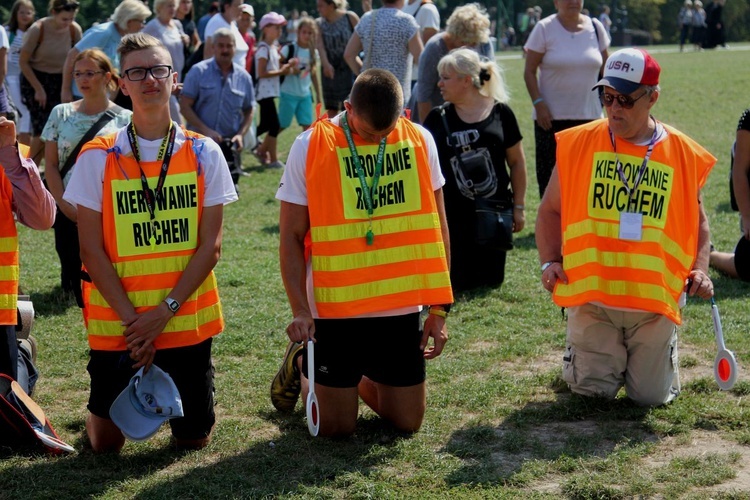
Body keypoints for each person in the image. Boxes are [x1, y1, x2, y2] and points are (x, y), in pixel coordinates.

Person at [62, 33, 237, 453]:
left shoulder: (204, 152)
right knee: (105, 445)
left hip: (181, 319)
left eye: (158, 69)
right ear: (122, 84)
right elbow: (90, 250)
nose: (149, 79)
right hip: (120, 325)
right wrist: (135, 326)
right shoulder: (97, 156)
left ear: (174, 78)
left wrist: (164, 312)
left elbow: (210, 247)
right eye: (136, 72)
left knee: (193, 440)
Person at [271, 69, 453, 437]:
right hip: (333, 308)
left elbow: (439, 227)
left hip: (399, 306)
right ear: (348, 108)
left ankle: (348, 379)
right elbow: (290, 236)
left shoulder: (420, 140)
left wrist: (438, 308)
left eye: (386, 132)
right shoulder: (309, 145)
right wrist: (301, 310)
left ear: (403, 114)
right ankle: (306, 360)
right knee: (335, 429)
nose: (378, 139)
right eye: (369, 133)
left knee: (407, 424)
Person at [536, 48, 716, 407]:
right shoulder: (578, 144)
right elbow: (550, 211)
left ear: (653, 97)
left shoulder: (681, 152)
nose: (614, 108)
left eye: (625, 99)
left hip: (651, 305)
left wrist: (700, 270)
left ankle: (659, 350)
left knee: (650, 398)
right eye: (607, 97)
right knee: (592, 394)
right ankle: (589, 352)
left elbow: (699, 222)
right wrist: (549, 261)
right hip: (594, 300)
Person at [422, 49, 526, 292]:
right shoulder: (438, 118)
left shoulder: (502, 112)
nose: (439, 83)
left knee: (490, 282)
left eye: (446, 77)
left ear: (466, 81)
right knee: (458, 282)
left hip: (493, 219)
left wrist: (519, 208)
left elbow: (518, 163)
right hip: (452, 221)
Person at [41, 49, 131, 305]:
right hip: (67, 202)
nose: (82, 79)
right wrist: (64, 205)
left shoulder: (126, 118)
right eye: (77, 74)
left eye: (90, 73)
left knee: (110, 260)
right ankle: (71, 289)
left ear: (107, 76)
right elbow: (50, 165)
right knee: (69, 259)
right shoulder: (60, 113)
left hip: (110, 206)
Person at [524, 0, 609, 198]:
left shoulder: (596, 28)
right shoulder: (544, 28)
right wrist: (538, 103)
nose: (573, 1)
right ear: (555, 2)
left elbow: (608, 70)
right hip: (550, 120)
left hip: (590, 118)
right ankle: (550, 227)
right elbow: (529, 71)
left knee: (587, 179)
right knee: (550, 181)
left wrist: (610, 102)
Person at [0, 118, 55, 397]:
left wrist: (10, 155)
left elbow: (43, 218)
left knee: (7, 411)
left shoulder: (6, 152)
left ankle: (21, 352)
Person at [181, 28, 255, 191]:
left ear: (235, 48)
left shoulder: (244, 77)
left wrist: (240, 135)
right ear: (213, 47)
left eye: (229, 46)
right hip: (199, 144)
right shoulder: (198, 71)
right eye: (221, 45)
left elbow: (249, 110)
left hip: (229, 148)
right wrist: (205, 130)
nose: (225, 50)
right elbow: (185, 106)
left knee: (227, 194)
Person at [19, 0, 83, 164]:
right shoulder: (37, 29)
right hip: (35, 78)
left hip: (60, 79)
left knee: (60, 129)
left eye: (71, 19)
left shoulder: (74, 30)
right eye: (64, 19)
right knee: (41, 131)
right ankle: (29, 170)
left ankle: (52, 171)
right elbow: (23, 62)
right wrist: (38, 89)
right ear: (53, 13)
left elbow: (77, 60)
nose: (67, 23)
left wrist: (67, 87)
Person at [413, 3, 494, 123]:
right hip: (434, 109)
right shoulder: (434, 48)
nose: (471, 48)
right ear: (453, 35)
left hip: (467, 111)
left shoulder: (483, 42)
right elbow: (423, 95)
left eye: (474, 43)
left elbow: (488, 82)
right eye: (467, 42)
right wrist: (428, 132)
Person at [61, 0, 152, 105]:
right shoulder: (103, 33)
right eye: (141, 21)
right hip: (82, 96)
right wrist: (65, 90)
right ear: (129, 20)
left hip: (101, 99)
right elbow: (72, 55)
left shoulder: (123, 37)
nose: (143, 26)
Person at [344, 0, 422, 107]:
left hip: (368, 91)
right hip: (396, 95)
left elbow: (349, 54)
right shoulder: (407, 22)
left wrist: (363, 75)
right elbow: (420, 59)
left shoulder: (367, 19)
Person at [710, 108, 750, 281]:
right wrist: (748, 217)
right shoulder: (748, 119)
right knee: (747, 265)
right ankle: (710, 255)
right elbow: (740, 171)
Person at [253, 12, 294, 169]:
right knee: (274, 125)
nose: (279, 31)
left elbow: (274, 68)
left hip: (269, 92)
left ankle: (249, 144)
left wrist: (286, 67)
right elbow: (262, 72)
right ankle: (273, 159)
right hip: (264, 93)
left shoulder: (272, 48)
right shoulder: (263, 49)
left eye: (280, 28)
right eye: (276, 27)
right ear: (266, 29)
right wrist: (282, 72)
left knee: (265, 125)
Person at [144, 0, 190, 121]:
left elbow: (181, 40)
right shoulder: (152, 26)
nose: (173, 9)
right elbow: (141, 47)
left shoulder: (177, 24)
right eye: (169, 6)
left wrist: (185, 39)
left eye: (174, 6)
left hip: (177, 74)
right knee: (175, 116)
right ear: (159, 8)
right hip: (161, 76)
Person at [316, 0, 359, 119]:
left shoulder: (349, 17)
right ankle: (334, 135)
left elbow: (362, 38)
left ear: (331, 5)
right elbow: (320, 46)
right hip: (330, 68)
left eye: (321, 6)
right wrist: (326, 64)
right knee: (332, 108)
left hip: (350, 67)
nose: (318, 9)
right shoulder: (319, 23)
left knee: (351, 106)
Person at [278, 16, 322, 133]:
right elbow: (277, 67)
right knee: (281, 125)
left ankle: (306, 151)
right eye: (304, 32)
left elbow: (313, 74)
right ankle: (263, 148)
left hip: (305, 95)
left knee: (308, 128)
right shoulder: (289, 48)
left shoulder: (314, 53)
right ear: (298, 32)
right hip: (288, 93)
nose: (307, 35)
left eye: (310, 33)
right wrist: (290, 69)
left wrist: (318, 94)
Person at [4, 0, 36, 145]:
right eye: (21, 12)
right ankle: (21, 151)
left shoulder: (34, 32)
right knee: (24, 114)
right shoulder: (7, 32)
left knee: (25, 115)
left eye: (28, 12)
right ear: (15, 14)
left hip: (28, 78)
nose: (25, 16)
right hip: (11, 78)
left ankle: (21, 151)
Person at [402, 0, 439, 92]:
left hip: (416, 78)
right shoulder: (402, 5)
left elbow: (429, 49)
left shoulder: (428, 9)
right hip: (401, 76)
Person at [202, 0, 247, 66]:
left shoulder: (232, 24)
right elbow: (208, 55)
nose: (242, 9)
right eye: (238, 6)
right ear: (227, 7)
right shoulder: (216, 23)